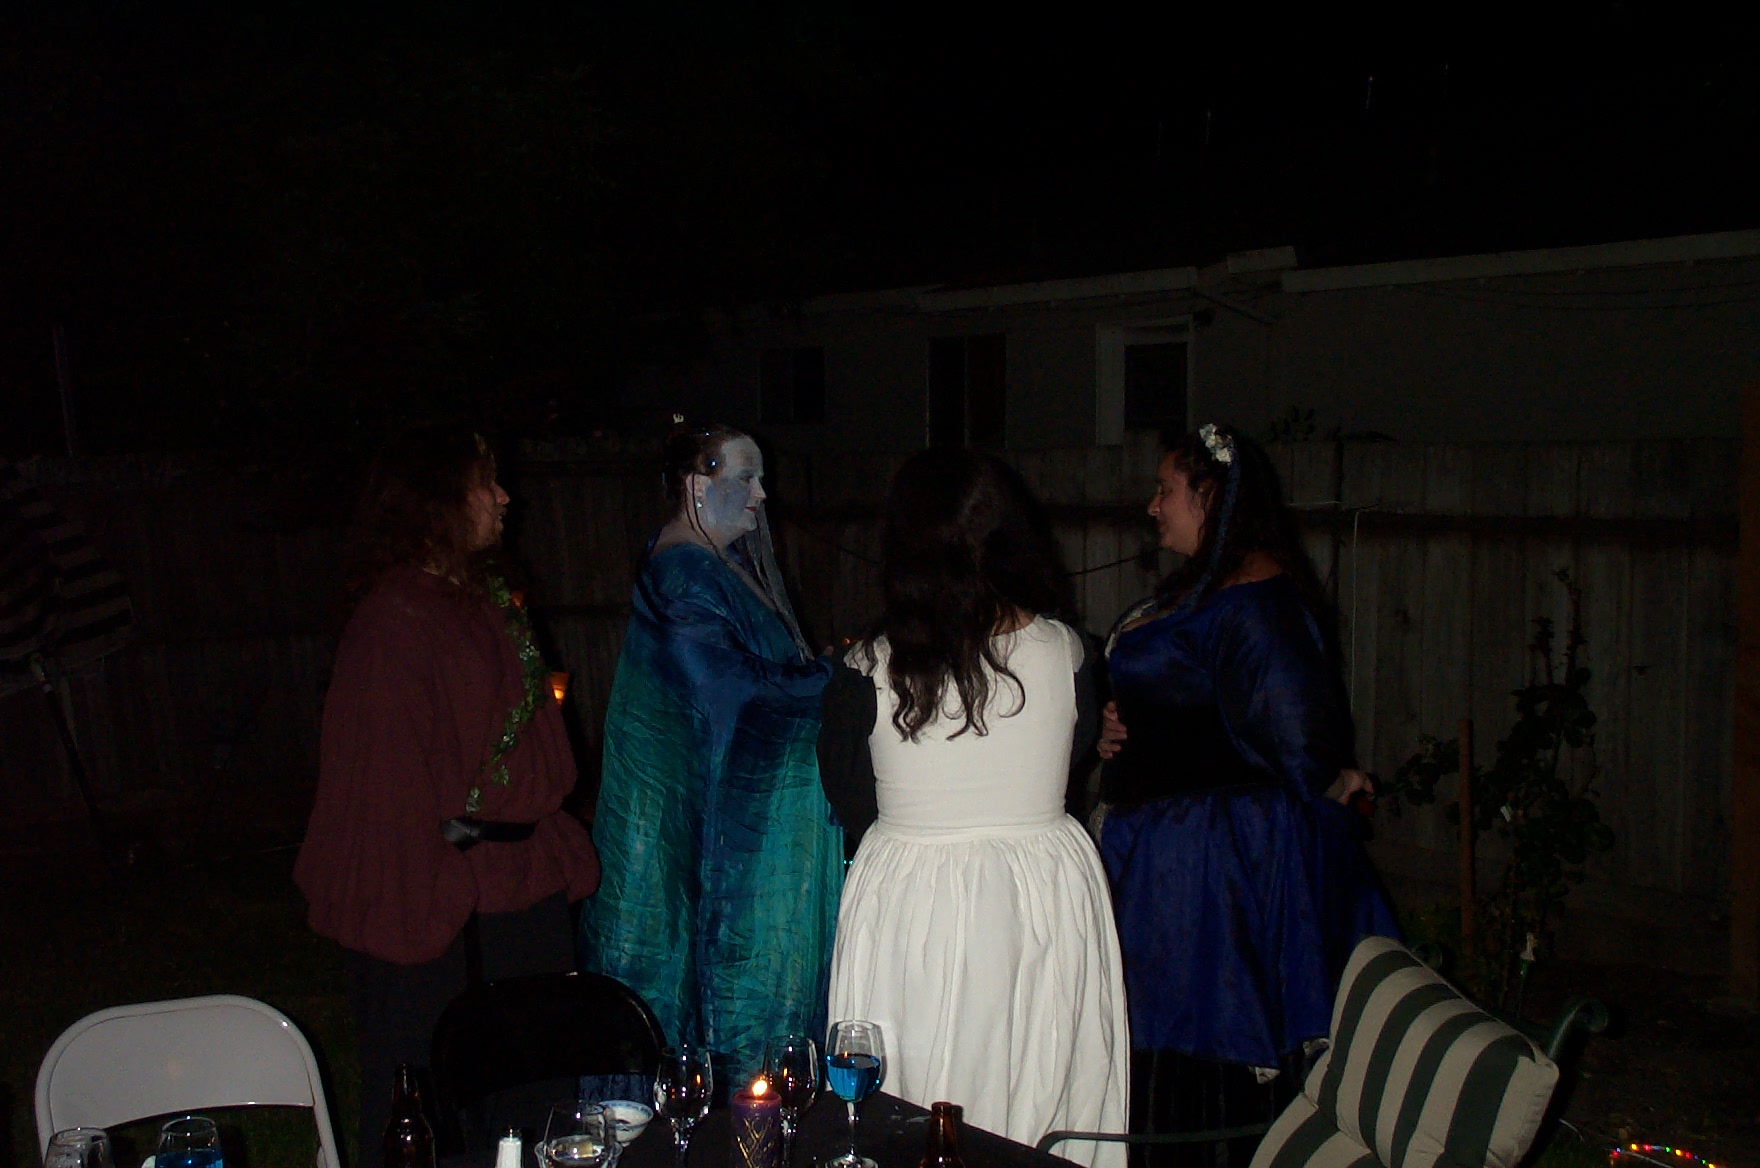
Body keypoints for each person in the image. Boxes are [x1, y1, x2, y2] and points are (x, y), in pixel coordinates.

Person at [293, 424, 601, 1168]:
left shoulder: (488, 599)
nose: (504, 497)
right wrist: (432, 890)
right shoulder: (393, 624)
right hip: (441, 909)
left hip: (518, 895)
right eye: (483, 483)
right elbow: (384, 789)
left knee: (533, 1103)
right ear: (436, 502)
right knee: (436, 1106)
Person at [1094, 423, 1398, 1165]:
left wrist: (1331, 779)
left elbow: (1292, 723)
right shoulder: (1205, 586)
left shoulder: (1255, 595)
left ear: (1212, 495)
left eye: (1166, 490)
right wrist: (1116, 724)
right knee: (1153, 1016)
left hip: (1209, 861)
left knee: (1203, 1017)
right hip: (1163, 850)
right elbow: (1189, 694)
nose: (1153, 506)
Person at [820, 450, 1129, 1168]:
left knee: (920, 1089)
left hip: (915, 901)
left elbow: (850, 798)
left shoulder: (864, 670)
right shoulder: (1070, 652)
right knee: (1042, 1082)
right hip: (1043, 895)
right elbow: (1074, 753)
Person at [579, 420, 843, 1086]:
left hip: (726, 814)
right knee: (704, 983)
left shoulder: (720, 562)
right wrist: (832, 678)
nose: (761, 495)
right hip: (712, 829)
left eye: (761, 479)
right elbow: (728, 689)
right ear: (698, 484)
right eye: (746, 478)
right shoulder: (683, 570)